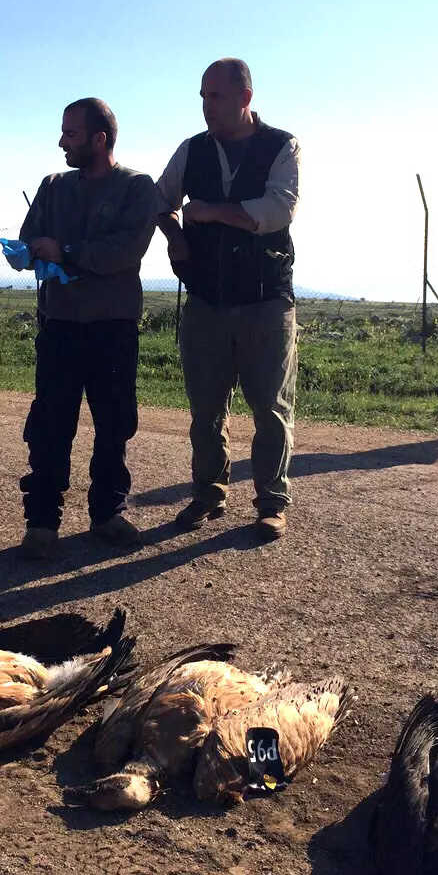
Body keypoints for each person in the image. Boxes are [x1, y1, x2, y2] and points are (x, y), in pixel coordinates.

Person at [155, 57, 300, 542]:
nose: (206, 106)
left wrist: (215, 211)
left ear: (245, 98)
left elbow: (278, 209)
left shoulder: (282, 146)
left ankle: (271, 502)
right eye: (201, 96)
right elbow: (161, 200)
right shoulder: (192, 150)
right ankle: (208, 494)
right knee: (206, 409)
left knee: (270, 409)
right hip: (206, 302)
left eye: (215, 96)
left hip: (265, 301)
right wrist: (174, 234)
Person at [15, 97, 158, 560]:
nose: (61, 142)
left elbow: (127, 252)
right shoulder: (53, 185)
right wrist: (30, 251)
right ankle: (41, 522)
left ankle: (107, 514)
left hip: (112, 329)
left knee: (114, 426)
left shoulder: (137, 187)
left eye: (70, 134)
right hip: (60, 326)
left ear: (100, 139)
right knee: (50, 425)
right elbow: (29, 237)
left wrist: (67, 252)